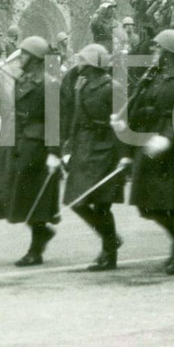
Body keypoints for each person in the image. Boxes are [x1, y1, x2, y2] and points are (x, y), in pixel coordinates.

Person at [114, 29, 174, 275]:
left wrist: (169, 139)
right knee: (147, 203)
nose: (153, 52)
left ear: (171, 53)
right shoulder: (153, 77)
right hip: (151, 140)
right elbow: (143, 107)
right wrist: (126, 122)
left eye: (158, 48)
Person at [0, 36, 61, 267]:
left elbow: (54, 119)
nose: (19, 57)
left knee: (33, 195)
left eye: (23, 54)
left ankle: (36, 248)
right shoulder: (24, 78)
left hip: (36, 145)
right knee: (17, 191)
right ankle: (40, 236)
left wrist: (54, 151)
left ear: (33, 58)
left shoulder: (48, 82)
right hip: (20, 142)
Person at [62, 44, 128, 271]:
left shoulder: (113, 87)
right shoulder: (81, 84)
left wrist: (124, 156)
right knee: (75, 201)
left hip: (105, 150)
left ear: (92, 64)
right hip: (83, 148)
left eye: (82, 60)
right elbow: (76, 119)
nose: (78, 63)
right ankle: (111, 239)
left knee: (101, 205)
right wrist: (68, 150)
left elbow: (122, 125)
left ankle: (109, 253)